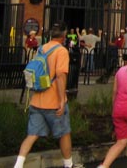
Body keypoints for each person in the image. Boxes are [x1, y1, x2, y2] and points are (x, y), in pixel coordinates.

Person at [14, 21, 82, 168]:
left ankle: (18, 164)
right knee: (64, 133)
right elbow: (60, 76)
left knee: (32, 135)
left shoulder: (41, 48)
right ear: (64, 36)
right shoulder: (62, 51)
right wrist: (62, 100)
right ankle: (68, 165)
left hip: (37, 99)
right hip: (53, 101)